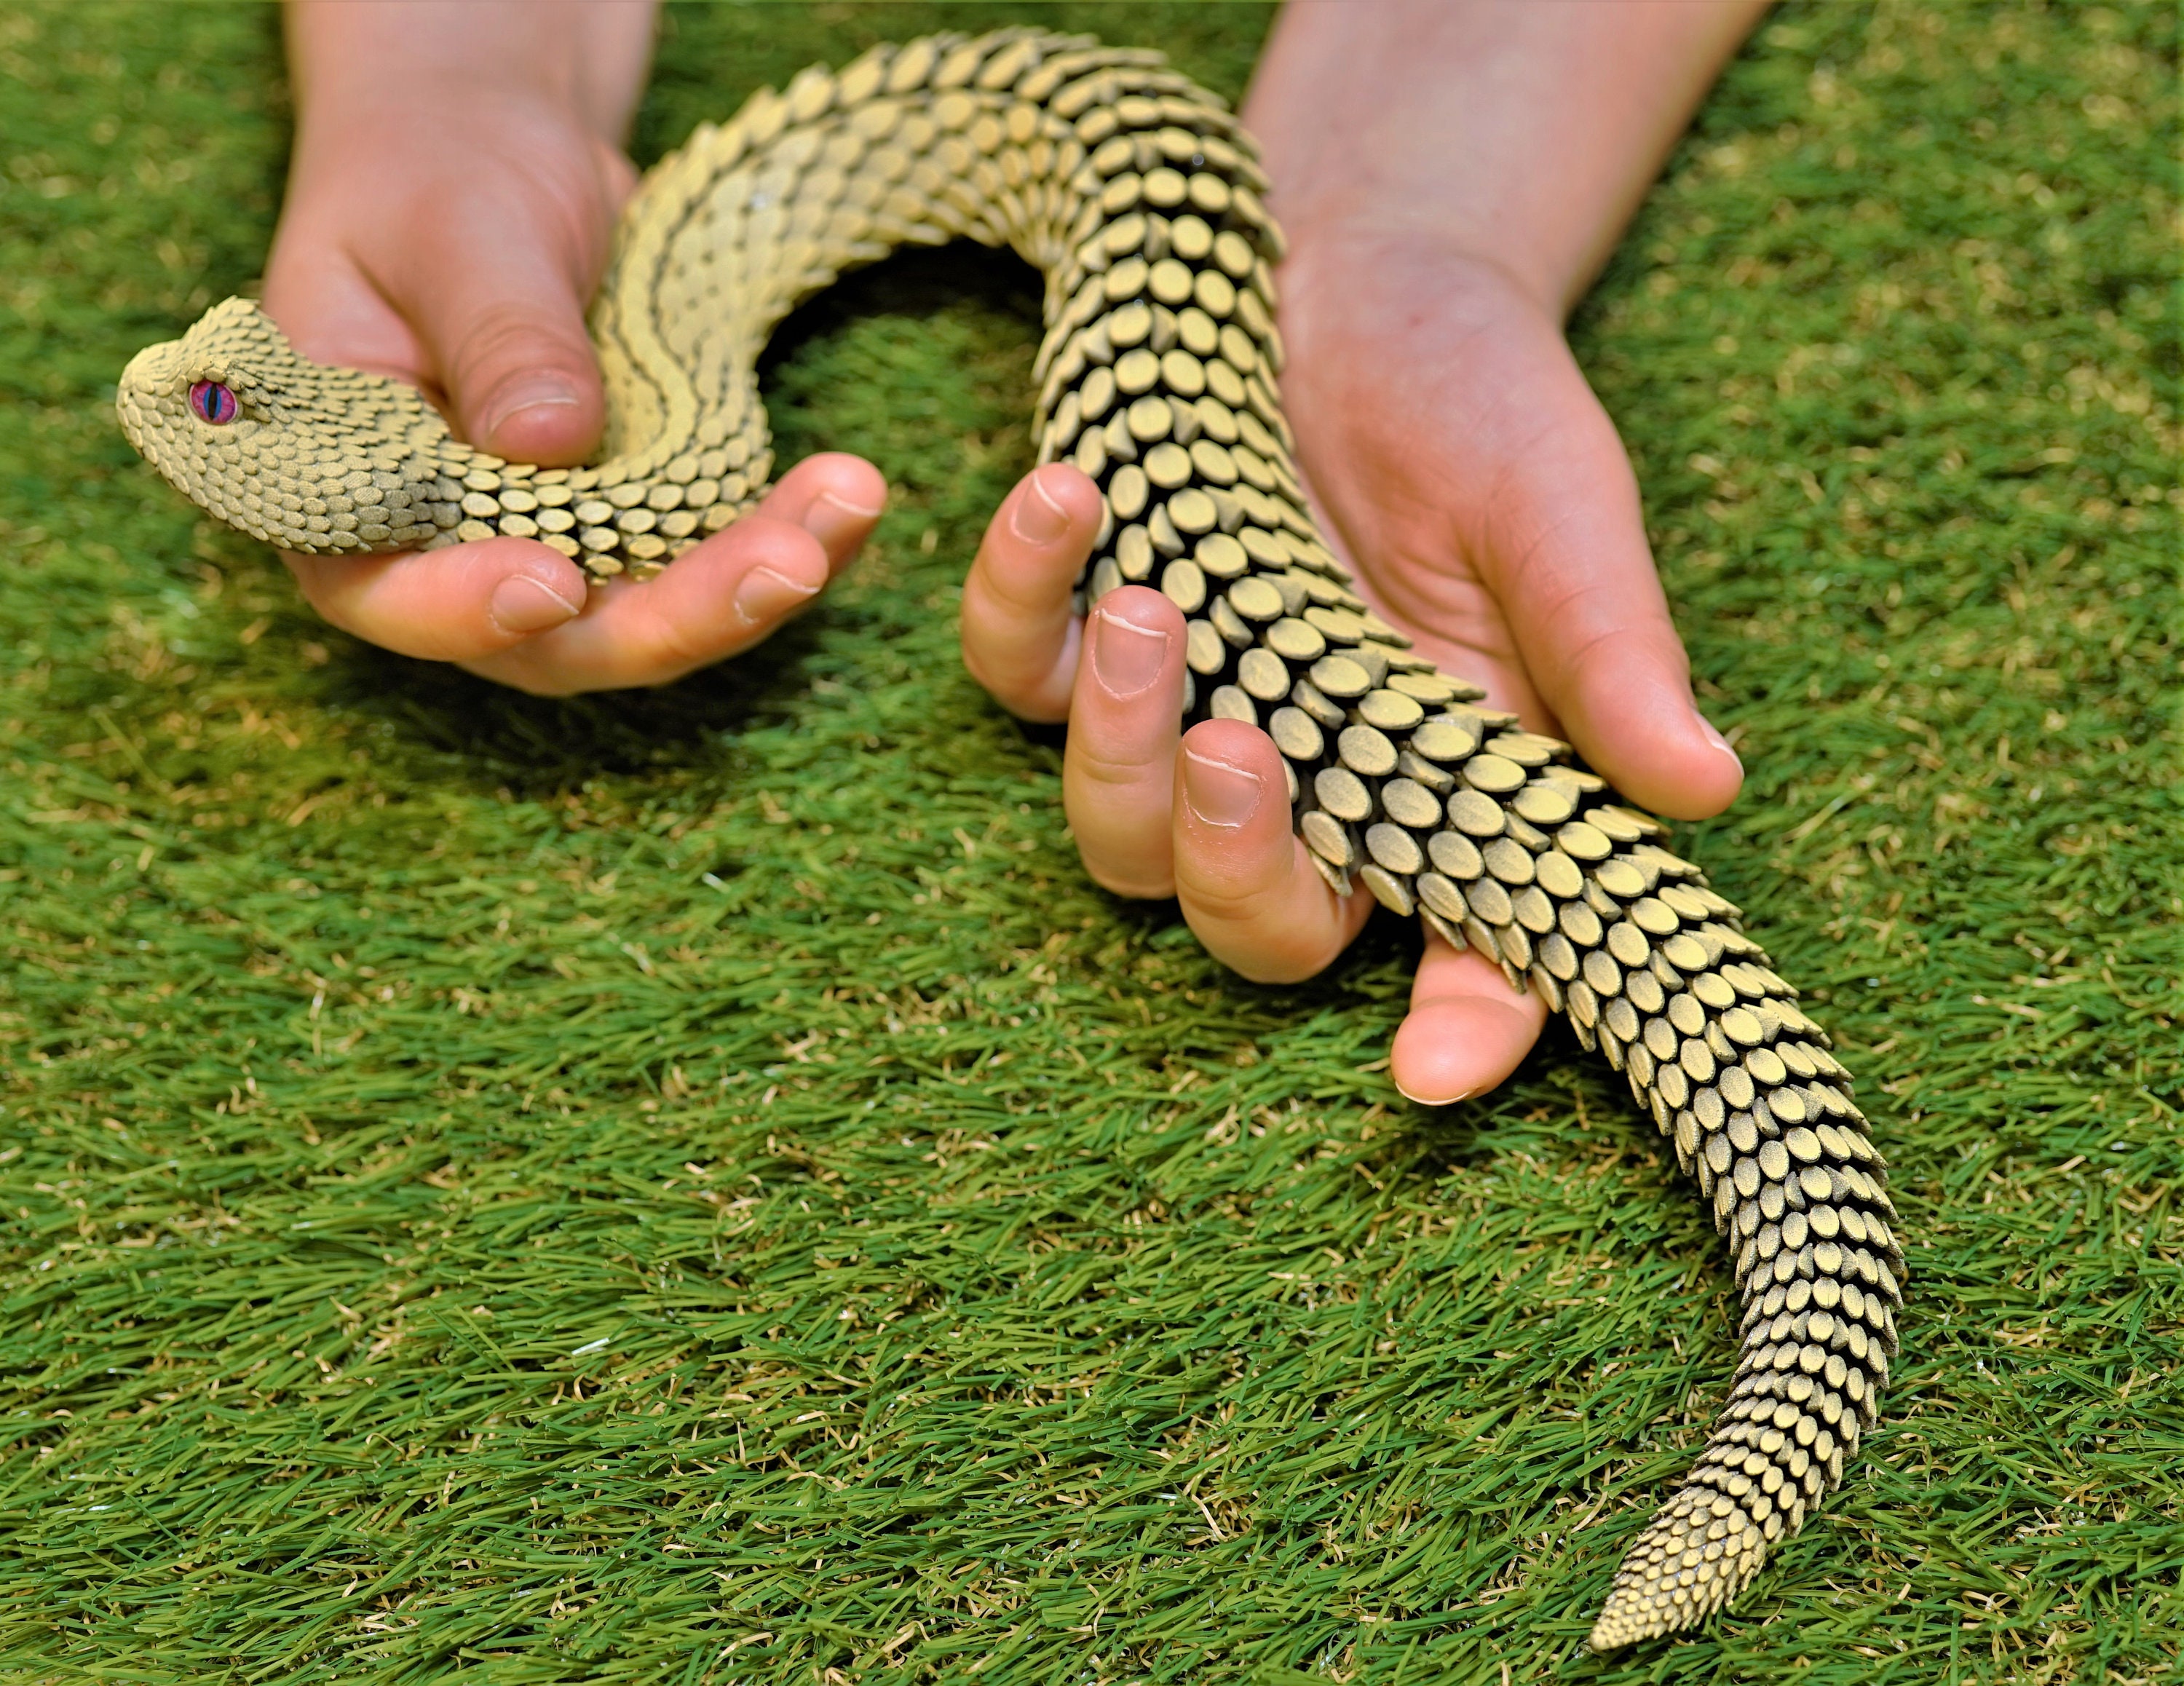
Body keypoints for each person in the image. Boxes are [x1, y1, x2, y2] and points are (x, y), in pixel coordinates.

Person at [266, 0, 1767, 1103]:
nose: (197, 404)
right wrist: (449, 73)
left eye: (228, 399)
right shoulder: (635, 420)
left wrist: (1410, 189)